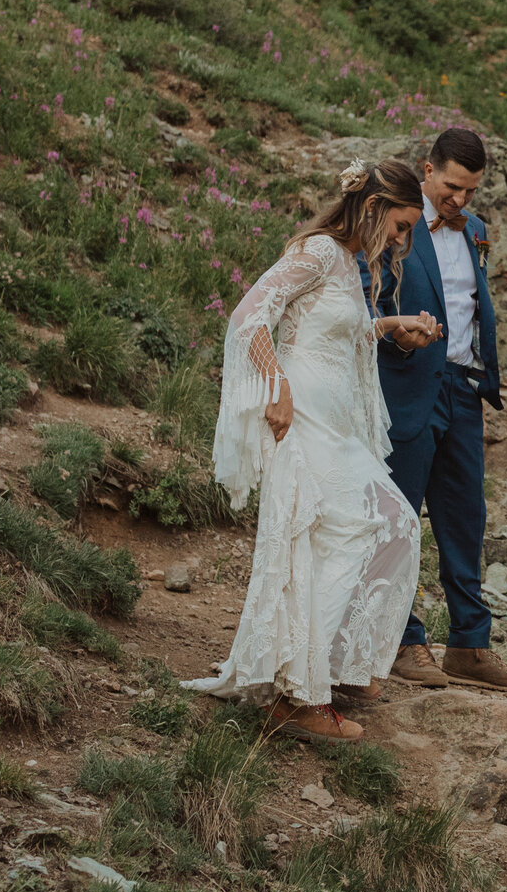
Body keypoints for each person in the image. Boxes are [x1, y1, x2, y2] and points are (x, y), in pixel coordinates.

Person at [189, 158, 444, 740]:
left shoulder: (351, 264)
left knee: (395, 523)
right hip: (301, 417)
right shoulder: (319, 252)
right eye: (401, 226)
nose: (404, 240)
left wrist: (389, 327)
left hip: (336, 424)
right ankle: (298, 699)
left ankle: (335, 667)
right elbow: (250, 315)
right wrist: (273, 386)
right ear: (375, 209)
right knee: (339, 536)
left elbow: (334, 333)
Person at [363, 126, 507, 693]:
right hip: (410, 383)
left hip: (464, 389)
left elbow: (471, 304)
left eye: (470, 191)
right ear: (427, 168)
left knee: (465, 519)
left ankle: (470, 644)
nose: (460, 200)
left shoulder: (477, 231)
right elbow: (370, 303)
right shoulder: (398, 222)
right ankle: (404, 640)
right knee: (401, 517)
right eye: (453, 187)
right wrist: (397, 341)